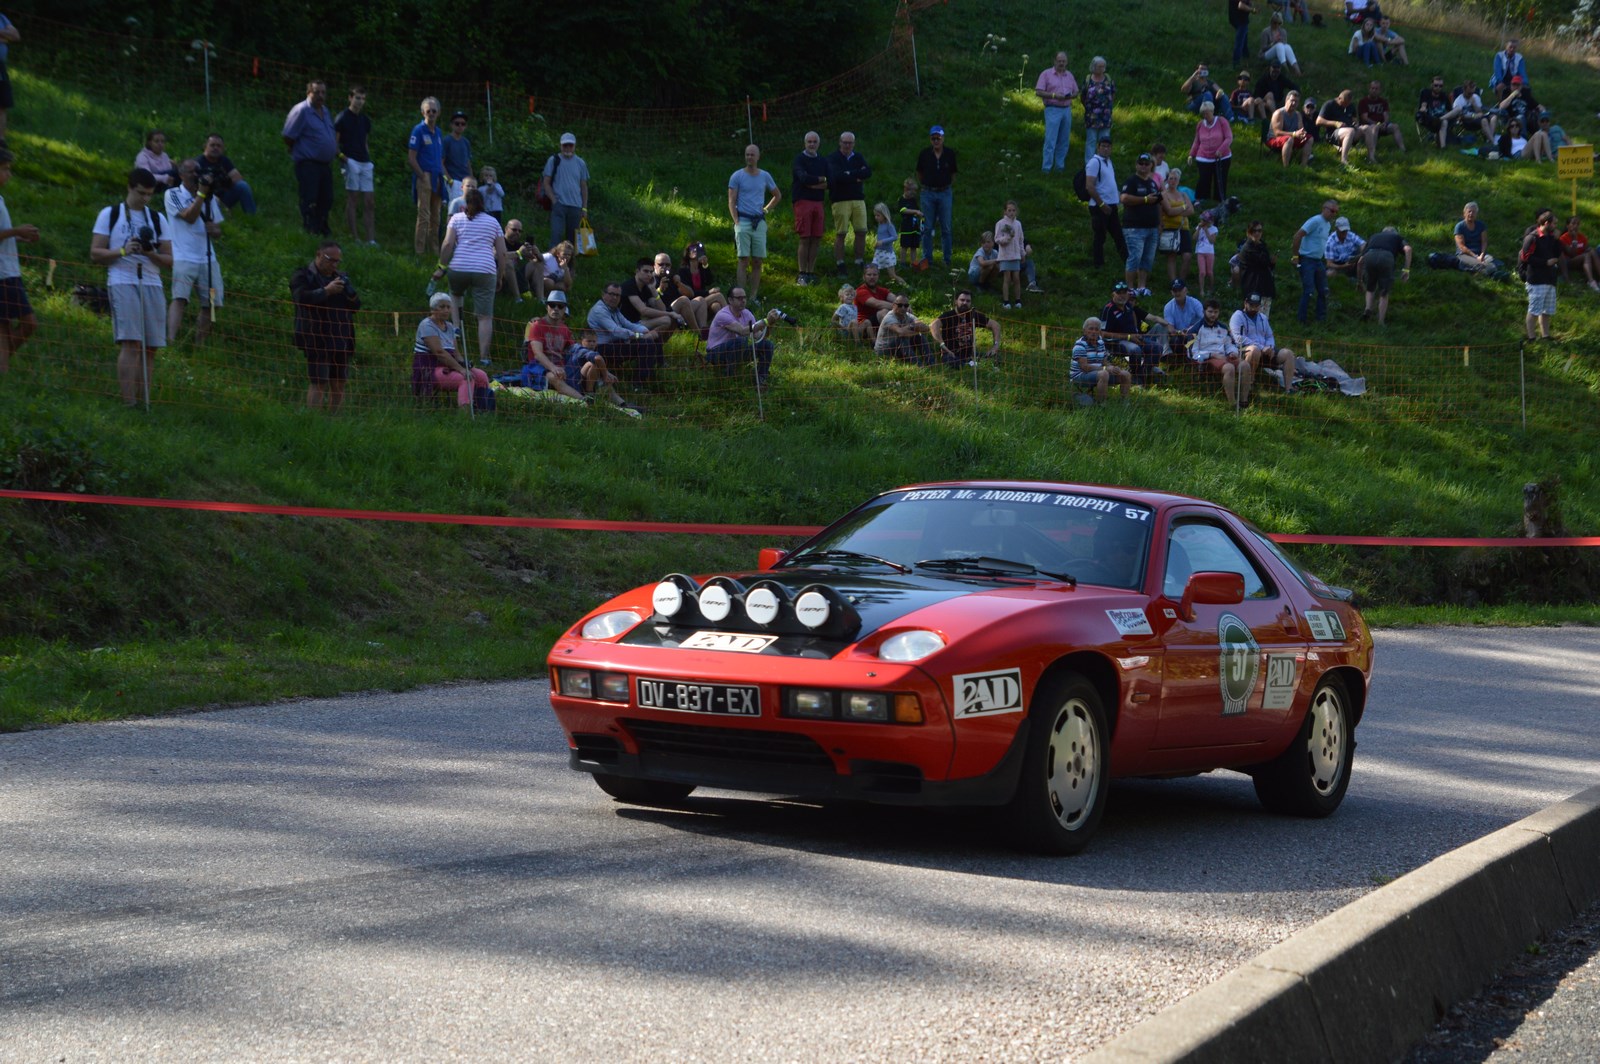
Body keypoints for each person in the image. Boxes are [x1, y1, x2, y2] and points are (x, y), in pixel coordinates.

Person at [91, 168, 173, 406]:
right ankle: (129, 402)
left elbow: (170, 260)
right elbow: (95, 253)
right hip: (122, 279)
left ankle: (144, 401)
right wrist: (123, 250)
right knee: (131, 342)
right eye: (141, 193)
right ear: (129, 187)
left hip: (152, 281)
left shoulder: (157, 219)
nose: (145, 198)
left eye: (149, 194)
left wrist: (150, 253)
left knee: (151, 346)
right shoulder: (110, 214)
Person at [433, 187, 507, 366]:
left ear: (465, 203)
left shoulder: (456, 218)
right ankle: (484, 357)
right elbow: (502, 253)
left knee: (456, 297)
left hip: (459, 267)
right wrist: (500, 275)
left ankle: (456, 330)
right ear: (483, 203)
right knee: (484, 317)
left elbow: (448, 243)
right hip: (485, 269)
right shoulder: (493, 222)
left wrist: (441, 266)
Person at [290, 240, 360, 412]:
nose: (334, 264)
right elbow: (301, 298)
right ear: (319, 254)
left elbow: (356, 306)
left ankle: (334, 420)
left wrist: (349, 291)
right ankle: (314, 421)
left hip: (341, 338)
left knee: (339, 383)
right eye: (331, 260)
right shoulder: (303, 275)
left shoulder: (340, 278)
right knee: (319, 382)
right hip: (317, 339)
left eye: (337, 261)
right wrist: (326, 291)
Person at [164, 159, 224, 346]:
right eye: (190, 171)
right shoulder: (173, 194)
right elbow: (189, 216)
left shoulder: (210, 198)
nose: (195, 175)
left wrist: (215, 230)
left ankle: (200, 344)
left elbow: (217, 230)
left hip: (207, 258)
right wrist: (201, 194)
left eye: (198, 171)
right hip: (183, 256)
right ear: (181, 175)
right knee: (180, 298)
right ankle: (170, 341)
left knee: (212, 303)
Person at [411, 290, 489, 408]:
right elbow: (439, 353)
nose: (446, 310)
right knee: (465, 378)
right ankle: (465, 412)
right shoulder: (427, 325)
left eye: (448, 307)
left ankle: (483, 408)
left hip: (449, 365)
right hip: (430, 367)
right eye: (442, 307)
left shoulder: (450, 327)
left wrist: (464, 364)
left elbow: (455, 353)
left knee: (481, 375)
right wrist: (461, 370)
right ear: (433, 309)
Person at [282, 79, 337, 235]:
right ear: (308, 93)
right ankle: (310, 227)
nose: (321, 96)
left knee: (326, 198)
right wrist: (299, 149)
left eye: (323, 92)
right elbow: (288, 135)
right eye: (316, 92)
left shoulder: (325, 111)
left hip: (325, 164)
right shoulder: (301, 111)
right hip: (308, 163)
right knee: (310, 196)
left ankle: (322, 226)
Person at [0, 145, 38, 374]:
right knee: (29, 323)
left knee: (4, 328)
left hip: (9, 271)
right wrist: (16, 231)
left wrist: (18, 237)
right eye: (5, 169)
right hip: (3, 275)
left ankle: (2, 369)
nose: (9, 174)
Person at [727, 144, 781, 303]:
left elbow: (777, 195)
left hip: (759, 222)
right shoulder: (737, 176)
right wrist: (736, 221)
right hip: (743, 221)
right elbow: (731, 200)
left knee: (757, 260)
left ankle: (753, 296)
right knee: (743, 259)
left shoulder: (765, 176)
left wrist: (766, 210)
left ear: (758, 157)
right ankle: (740, 296)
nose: (749, 157)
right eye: (747, 154)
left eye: (752, 154)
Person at [588, 279, 666, 382]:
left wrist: (646, 331)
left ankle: (659, 368)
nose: (615, 298)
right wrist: (640, 336)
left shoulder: (614, 309)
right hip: (603, 348)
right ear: (603, 294)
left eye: (617, 295)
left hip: (616, 343)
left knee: (655, 337)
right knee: (646, 344)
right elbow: (616, 331)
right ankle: (640, 382)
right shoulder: (599, 310)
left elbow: (628, 324)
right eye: (611, 294)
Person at [520, 289, 588, 403]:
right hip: (538, 366)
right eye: (552, 305)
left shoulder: (565, 329)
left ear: (565, 309)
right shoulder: (537, 326)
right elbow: (537, 354)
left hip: (560, 366)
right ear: (547, 307)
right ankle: (585, 401)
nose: (556, 308)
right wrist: (553, 368)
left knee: (586, 369)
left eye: (560, 306)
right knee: (555, 377)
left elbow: (574, 350)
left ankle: (613, 401)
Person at [1100, 280, 1169, 386]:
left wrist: (1136, 333)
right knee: (1135, 350)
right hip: (1115, 343)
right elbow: (1103, 334)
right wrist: (1128, 337)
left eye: (1124, 292)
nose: (1122, 296)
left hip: (1134, 337)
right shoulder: (1108, 309)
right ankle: (1136, 377)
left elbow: (1134, 319)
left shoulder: (1128, 306)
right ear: (1113, 294)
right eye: (1119, 293)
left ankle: (1144, 375)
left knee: (1157, 348)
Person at [706, 287, 778, 387]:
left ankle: (761, 379)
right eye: (739, 298)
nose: (743, 300)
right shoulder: (723, 315)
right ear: (730, 300)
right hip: (716, 353)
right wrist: (765, 321)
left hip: (736, 349)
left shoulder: (747, 313)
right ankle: (729, 378)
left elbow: (760, 337)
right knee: (740, 341)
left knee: (767, 345)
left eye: (744, 297)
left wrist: (770, 324)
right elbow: (742, 331)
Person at [1228, 292, 1297, 394]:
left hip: (1265, 350)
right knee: (1254, 350)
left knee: (1288, 354)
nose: (1253, 308)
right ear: (1245, 303)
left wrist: (1270, 347)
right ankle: (1250, 383)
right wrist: (1261, 347)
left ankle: (1288, 389)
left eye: (1256, 306)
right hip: (1245, 350)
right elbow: (1238, 338)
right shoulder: (1237, 316)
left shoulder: (1263, 318)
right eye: (1251, 305)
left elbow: (1269, 336)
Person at [1189, 298, 1252, 407]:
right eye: (1210, 312)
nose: (1213, 315)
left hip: (1224, 356)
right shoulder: (1195, 329)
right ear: (1204, 311)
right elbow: (1193, 354)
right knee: (1229, 368)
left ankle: (1244, 401)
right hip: (1206, 358)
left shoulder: (1223, 327)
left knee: (1245, 365)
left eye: (1216, 312)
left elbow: (1229, 344)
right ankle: (1232, 403)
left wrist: (1232, 352)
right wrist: (1210, 355)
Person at [826, 131, 872, 276]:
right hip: (840, 199)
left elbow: (868, 173)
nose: (847, 145)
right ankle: (840, 263)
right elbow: (836, 176)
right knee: (841, 233)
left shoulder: (858, 157)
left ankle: (859, 261)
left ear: (854, 144)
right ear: (840, 143)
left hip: (858, 199)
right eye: (845, 142)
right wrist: (856, 175)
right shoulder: (832, 158)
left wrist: (848, 174)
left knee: (861, 231)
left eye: (850, 143)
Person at [334, 86, 376, 246]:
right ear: (350, 98)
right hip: (350, 160)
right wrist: (343, 158)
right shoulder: (342, 117)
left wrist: (368, 158)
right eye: (357, 98)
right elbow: (334, 142)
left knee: (369, 201)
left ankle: (371, 239)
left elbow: (365, 142)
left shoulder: (365, 120)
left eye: (363, 99)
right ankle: (354, 237)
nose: (360, 102)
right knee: (353, 198)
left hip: (365, 162)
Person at [1120, 152, 1162, 295]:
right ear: (1136, 165)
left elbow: (1158, 203)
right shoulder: (1131, 181)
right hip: (1134, 227)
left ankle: (1142, 287)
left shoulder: (1152, 183)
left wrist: (1160, 223)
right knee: (1135, 257)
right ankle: (1130, 288)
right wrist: (1144, 199)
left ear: (1151, 166)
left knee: (1147, 259)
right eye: (1141, 163)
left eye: (1146, 164)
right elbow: (1124, 198)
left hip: (1152, 227)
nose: (1143, 166)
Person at [407, 98, 445, 257]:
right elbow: (411, 158)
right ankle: (420, 252)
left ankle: (434, 251)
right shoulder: (418, 130)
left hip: (438, 176)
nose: (431, 113)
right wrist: (422, 176)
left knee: (436, 216)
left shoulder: (439, 132)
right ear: (423, 112)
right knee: (424, 215)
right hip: (425, 175)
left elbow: (441, 158)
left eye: (434, 111)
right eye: (428, 111)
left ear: (438, 113)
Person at [916, 125, 957, 269]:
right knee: (927, 227)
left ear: (943, 138)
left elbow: (953, 173)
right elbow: (919, 173)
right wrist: (926, 185)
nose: (936, 141)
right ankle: (927, 259)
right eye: (933, 138)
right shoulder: (924, 154)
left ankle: (947, 259)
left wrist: (946, 186)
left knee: (946, 227)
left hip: (945, 192)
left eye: (938, 138)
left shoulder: (950, 154)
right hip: (928, 193)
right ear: (930, 139)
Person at [791, 131, 829, 286]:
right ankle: (802, 273)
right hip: (802, 201)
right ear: (805, 143)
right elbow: (803, 178)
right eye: (809, 142)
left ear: (818, 143)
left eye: (814, 142)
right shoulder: (799, 159)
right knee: (805, 238)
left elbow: (831, 181)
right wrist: (820, 179)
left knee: (816, 238)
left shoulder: (823, 160)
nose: (812, 144)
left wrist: (813, 184)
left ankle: (810, 272)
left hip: (818, 202)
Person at [1291, 199, 1339, 323]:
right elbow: (1297, 236)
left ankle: (1321, 319)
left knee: (1323, 290)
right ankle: (1301, 320)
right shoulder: (1315, 221)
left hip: (1318, 261)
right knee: (1309, 291)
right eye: (1332, 211)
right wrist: (1295, 257)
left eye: (1336, 212)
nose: (1334, 214)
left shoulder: (1328, 225)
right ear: (1324, 209)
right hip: (1307, 259)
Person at [541, 133, 590, 250]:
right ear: (561, 146)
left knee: (572, 239)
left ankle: (570, 261)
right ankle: (552, 261)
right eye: (565, 145)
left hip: (576, 206)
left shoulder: (581, 163)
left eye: (570, 145)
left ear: (574, 146)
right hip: (559, 204)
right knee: (556, 235)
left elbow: (583, 186)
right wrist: (554, 200)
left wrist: (584, 208)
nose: (567, 148)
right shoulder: (553, 160)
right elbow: (546, 182)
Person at [1085, 137, 1127, 269]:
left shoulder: (1108, 161)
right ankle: (1098, 266)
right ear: (1098, 147)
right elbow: (1089, 186)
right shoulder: (1094, 162)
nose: (1106, 149)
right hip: (1099, 206)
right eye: (1103, 146)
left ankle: (1128, 263)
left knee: (1118, 235)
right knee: (1100, 237)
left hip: (1112, 205)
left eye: (1108, 146)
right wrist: (1102, 205)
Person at [1520, 210, 1562, 340]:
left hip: (1550, 279)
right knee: (1534, 310)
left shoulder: (1551, 238)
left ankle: (1545, 335)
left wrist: (1557, 240)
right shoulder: (1532, 237)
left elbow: (1557, 254)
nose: (1555, 226)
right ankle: (1531, 337)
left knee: (1547, 310)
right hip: (1536, 279)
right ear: (1546, 223)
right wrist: (1545, 262)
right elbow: (1525, 257)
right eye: (1554, 223)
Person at [933, 289, 1000, 367]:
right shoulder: (948, 315)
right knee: (954, 363)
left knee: (996, 357)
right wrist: (943, 345)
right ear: (956, 301)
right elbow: (933, 326)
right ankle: (971, 365)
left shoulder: (973, 315)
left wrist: (995, 346)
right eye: (962, 300)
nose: (965, 303)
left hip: (969, 355)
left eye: (968, 301)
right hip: (951, 355)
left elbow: (995, 325)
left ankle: (971, 364)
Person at [1358, 225, 1411, 324]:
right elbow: (1408, 249)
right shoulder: (1396, 237)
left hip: (1370, 256)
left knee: (1370, 287)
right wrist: (1406, 269)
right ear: (1394, 232)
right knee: (1384, 292)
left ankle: (1368, 309)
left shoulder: (1374, 236)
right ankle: (1381, 321)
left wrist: (1360, 281)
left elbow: (1360, 261)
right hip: (1386, 257)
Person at [620, 256, 686, 335]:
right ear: (637, 271)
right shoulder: (629, 286)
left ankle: (648, 339)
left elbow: (662, 309)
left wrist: (653, 290)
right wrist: (671, 313)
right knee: (666, 320)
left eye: (651, 272)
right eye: (645, 271)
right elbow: (644, 311)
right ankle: (645, 339)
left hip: (637, 322)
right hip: (624, 325)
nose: (649, 274)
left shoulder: (646, 287)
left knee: (666, 320)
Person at [1037, 51, 1079, 172]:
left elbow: (1076, 91)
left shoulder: (1069, 75)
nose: (1061, 63)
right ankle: (1046, 168)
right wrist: (1054, 95)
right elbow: (1038, 91)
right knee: (1051, 140)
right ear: (1054, 61)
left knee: (1064, 139)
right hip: (1052, 108)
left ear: (1067, 62)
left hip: (1066, 109)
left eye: (1063, 61)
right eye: (1059, 61)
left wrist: (1071, 95)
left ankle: (1059, 166)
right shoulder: (1046, 74)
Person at [1071, 317, 1131, 403]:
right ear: (1084, 331)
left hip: (1098, 373)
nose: (1094, 332)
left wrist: (1112, 368)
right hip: (1080, 375)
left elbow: (1104, 361)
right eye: (1091, 329)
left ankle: (1125, 404)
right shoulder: (1080, 345)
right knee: (1104, 374)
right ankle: (1101, 404)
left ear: (1099, 331)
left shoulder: (1100, 342)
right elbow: (1084, 367)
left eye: (1096, 329)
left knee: (1125, 374)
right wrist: (1105, 368)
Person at [194, 133, 256, 215]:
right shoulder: (197, 163)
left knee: (242, 186)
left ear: (223, 148)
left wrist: (224, 181)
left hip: (223, 196)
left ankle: (251, 216)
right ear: (205, 146)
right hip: (205, 198)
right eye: (212, 145)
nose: (215, 148)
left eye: (218, 146)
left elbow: (238, 178)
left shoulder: (224, 160)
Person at [671, 241, 726, 333]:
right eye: (692, 249)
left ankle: (721, 330)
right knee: (718, 295)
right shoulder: (683, 271)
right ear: (688, 253)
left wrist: (705, 265)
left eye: (698, 249)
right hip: (691, 302)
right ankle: (732, 320)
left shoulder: (701, 268)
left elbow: (709, 281)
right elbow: (689, 293)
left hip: (703, 300)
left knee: (716, 305)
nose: (695, 251)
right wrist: (708, 292)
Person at [1188, 100, 1233, 204]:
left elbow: (1229, 138)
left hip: (1222, 157)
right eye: (1203, 114)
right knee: (1203, 179)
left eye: (1207, 113)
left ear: (1212, 111)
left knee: (1220, 179)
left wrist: (1220, 150)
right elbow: (1197, 141)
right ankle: (1202, 198)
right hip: (1203, 157)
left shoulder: (1222, 121)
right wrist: (1191, 154)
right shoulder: (1200, 124)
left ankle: (1219, 200)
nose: (1205, 116)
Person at [874, 293, 934, 363]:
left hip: (898, 347)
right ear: (893, 305)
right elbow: (900, 332)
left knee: (919, 336)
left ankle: (931, 363)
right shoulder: (889, 317)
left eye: (906, 306)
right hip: (884, 351)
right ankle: (917, 365)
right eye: (900, 305)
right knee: (903, 338)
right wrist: (911, 326)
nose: (903, 308)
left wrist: (918, 328)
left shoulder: (908, 316)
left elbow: (925, 328)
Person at [1159, 168, 1194, 285]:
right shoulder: (1163, 195)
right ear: (1167, 180)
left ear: (1178, 181)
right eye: (1171, 178)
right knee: (1171, 256)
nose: (1173, 181)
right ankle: (1173, 283)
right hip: (1169, 227)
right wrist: (1183, 207)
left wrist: (1176, 211)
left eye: (1175, 179)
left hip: (1183, 227)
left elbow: (1191, 210)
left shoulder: (1183, 194)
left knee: (1187, 256)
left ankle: (1181, 282)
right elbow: (1169, 211)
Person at [1317, 89, 1371, 165]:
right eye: (1343, 103)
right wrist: (1335, 123)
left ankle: (1371, 157)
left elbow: (1355, 120)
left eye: (1347, 104)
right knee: (1349, 131)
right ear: (1339, 98)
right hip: (1333, 133)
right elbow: (1318, 121)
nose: (1345, 106)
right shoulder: (1329, 104)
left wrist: (1355, 124)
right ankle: (1344, 159)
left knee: (1367, 128)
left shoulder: (1350, 106)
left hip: (1351, 130)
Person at [1235, 220, 1277, 316]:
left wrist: (1272, 262)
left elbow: (1267, 265)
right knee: (1251, 317)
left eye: (1259, 231)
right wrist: (1269, 261)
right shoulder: (1248, 248)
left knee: (1263, 318)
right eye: (1254, 231)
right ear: (1249, 232)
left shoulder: (1261, 245)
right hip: (1252, 288)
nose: (1257, 233)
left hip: (1264, 287)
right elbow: (1262, 262)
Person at [994, 200, 1029, 309]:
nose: (1011, 213)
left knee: (1016, 278)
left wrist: (1022, 253)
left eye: (1013, 210)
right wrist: (1007, 239)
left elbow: (1021, 239)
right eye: (1009, 210)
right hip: (1005, 255)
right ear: (1005, 211)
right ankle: (1006, 301)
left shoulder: (1018, 224)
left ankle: (1018, 300)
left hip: (1016, 255)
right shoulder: (1000, 223)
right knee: (1007, 278)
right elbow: (997, 239)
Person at [1357, 80, 1405, 155]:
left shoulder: (1383, 101)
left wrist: (1385, 123)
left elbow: (1386, 114)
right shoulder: (1363, 102)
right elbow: (1364, 118)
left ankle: (1402, 149)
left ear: (1379, 90)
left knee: (1395, 126)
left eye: (1376, 89)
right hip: (1369, 126)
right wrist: (1377, 124)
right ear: (1369, 89)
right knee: (1375, 128)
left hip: (1382, 125)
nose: (1374, 90)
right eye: (1372, 88)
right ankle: (1372, 152)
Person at [1268, 90, 1315, 166]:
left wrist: (1303, 134)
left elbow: (1301, 129)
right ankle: (1286, 166)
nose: (1294, 103)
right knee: (1289, 139)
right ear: (1286, 100)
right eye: (1292, 100)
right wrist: (1294, 134)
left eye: (1296, 102)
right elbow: (1277, 133)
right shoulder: (1279, 113)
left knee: (1310, 138)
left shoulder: (1298, 114)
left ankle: (1303, 165)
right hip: (1274, 139)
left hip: (1291, 137)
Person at [1081, 57, 1116, 156]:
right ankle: (1089, 162)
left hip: (1105, 116)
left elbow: (1113, 94)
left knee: (1105, 140)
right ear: (1093, 67)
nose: (1102, 69)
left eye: (1103, 66)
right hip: (1091, 117)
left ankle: (1103, 160)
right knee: (1091, 140)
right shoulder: (1088, 79)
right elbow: (1083, 96)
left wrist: (1107, 106)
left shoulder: (1108, 79)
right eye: (1099, 66)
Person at [501, 219, 543, 300]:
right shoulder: (499, 241)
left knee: (537, 264)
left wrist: (537, 253)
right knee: (508, 263)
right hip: (500, 276)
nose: (517, 233)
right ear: (506, 229)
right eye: (514, 230)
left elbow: (540, 261)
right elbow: (497, 255)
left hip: (516, 275)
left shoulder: (519, 245)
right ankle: (517, 299)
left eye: (520, 231)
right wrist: (518, 253)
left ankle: (540, 299)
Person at [1453, 201, 1499, 274]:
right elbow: (1462, 247)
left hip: (1479, 253)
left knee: (1490, 259)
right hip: (1465, 254)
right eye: (1469, 211)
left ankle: (1489, 269)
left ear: (1476, 214)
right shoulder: (1459, 227)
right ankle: (1488, 272)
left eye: (1473, 212)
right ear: (1464, 213)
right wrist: (1475, 257)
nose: (1471, 214)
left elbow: (1484, 242)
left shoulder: (1481, 225)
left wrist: (1482, 254)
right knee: (1479, 264)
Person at [868, 201, 905, 287]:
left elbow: (895, 237)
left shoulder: (889, 225)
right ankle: (872, 286)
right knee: (873, 271)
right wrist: (877, 245)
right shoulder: (880, 224)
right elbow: (880, 237)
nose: (876, 217)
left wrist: (882, 241)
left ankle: (905, 285)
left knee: (892, 275)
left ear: (884, 215)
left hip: (887, 254)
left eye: (878, 215)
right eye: (875, 215)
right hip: (878, 253)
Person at [1558, 216, 1600, 291]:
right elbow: (1572, 254)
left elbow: (1586, 248)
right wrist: (1574, 240)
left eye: (1578, 224)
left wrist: (1589, 249)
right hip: (1570, 262)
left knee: (1592, 251)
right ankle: (1591, 281)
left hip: (1582, 260)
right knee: (1586, 256)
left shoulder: (1582, 236)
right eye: (1573, 223)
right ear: (1567, 225)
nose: (1576, 226)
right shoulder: (1563, 238)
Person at [1415, 76, 1456, 150]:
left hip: (1441, 117)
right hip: (1430, 119)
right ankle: (1443, 148)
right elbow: (1423, 105)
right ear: (1431, 85)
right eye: (1436, 85)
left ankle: (1440, 119)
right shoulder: (1426, 93)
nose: (1438, 87)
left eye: (1440, 86)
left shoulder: (1444, 95)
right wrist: (1423, 108)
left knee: (1458, 109)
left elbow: (1450, 110)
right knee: (1444, 122)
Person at [441, 111, 473, 204]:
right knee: (454, 208)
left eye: (463, 124)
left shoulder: (466, 142)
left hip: (466, 182)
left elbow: (468, 163)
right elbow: (440, 163)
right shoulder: (446, 141)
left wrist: (471, 179)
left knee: (469, 208)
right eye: (457, 123)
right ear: (451, 125)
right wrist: (449, 180)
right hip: (454, 181)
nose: (460, 126)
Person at [854, 263, 895, 332]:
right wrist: (899, 306)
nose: (872, 277)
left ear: (878, 276)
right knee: (883, 312)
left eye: (874, 275)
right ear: (864, 277)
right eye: (869, 275)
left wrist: (905, 305)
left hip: (878, 324)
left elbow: (897, 299)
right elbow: (877, 304)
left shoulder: (882, 290)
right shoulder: (860, 291)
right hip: (864, 326)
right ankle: (894, 335)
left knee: (901, 310)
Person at [1325, 216, 1365, 280]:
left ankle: (1360, 279)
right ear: (1336, 229)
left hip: (1353, 260)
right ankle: (1343, 278)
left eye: (1346, 230)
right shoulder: (1330, 242)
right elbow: (1329, 264)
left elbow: (1363, 244)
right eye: (1342, 231)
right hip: (1339, 264)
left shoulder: (1350, 235)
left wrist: (1362, 254)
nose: (1344, 232)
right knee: (1330, 273)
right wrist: (1342, 266)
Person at [896, 178, 923, 273]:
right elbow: (903, 210)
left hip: (914, 227)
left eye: (915, 191)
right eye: (912, 191)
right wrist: (915, 211)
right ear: (906, 189)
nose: (913, 194)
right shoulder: (901, 200)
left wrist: (920, 214)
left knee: (914, 246)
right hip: (906, 227)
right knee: (904, 245)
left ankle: (913, 263)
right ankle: (902, 262)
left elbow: (918, 210)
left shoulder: (913, 200)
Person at [1194, 210, 1219, 298]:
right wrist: (1199, 229)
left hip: (1210, 252)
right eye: (1202, 220)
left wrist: (1206, 231)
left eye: (1205, 221)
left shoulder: (1214, 229)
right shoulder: (1199, 227)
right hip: (1200, 252)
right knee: (1202, 272)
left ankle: (1211, 288)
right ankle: (1201, 290)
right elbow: (1194, 238)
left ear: (1210, 221)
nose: (1203, 222)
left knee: (1209, 272)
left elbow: (1212, 241)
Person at [0, 11, 16, 136]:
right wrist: (5, 37)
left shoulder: (2, 18)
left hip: (0, 67)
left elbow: (16, 36)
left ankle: (1, 140)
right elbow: (9, 37)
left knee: (2, 103)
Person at [1229, 0, 1257, 66]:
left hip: (1234, 17)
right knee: (1239, 41)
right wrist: (1252, 10)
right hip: (1241, 19)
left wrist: (1249, 3)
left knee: (1244, 36)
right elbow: (1241, 5)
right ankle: (1236, 62)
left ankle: (1246, 55)